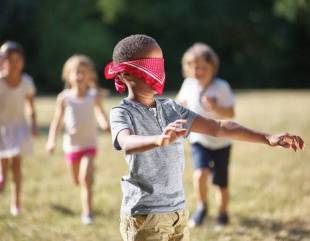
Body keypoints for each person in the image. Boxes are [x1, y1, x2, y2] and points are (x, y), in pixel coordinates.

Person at [105, 34, 304, 241]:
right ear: (125, 75)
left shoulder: (171, 108)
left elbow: (218, 127)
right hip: (144, 215)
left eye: (159, 65)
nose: (158, 73)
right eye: (149, 68)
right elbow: (126, 142)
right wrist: (158, 140)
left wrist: (268, 137)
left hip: (177, 212)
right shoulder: (121, 112)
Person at [46, 54, 110, 225]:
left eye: (84, 72)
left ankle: (87, 213)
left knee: (85, 180)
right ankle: (87, 176)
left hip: (89, 144)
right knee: (76, 180)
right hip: (72, 147)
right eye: (76, 72)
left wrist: (105, 124)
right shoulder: (65, 98)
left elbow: (99, 113)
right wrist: (51, 140)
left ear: (90, 76)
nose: (80, 76)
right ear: (68, 76)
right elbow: (57, 122)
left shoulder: (93, 96)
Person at [176, 43, 235, 227]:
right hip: (199, 139)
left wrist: (216, 107)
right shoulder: (189, 84)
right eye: (195, 67)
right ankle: (202, 207)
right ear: (188, 68)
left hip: (221, 142)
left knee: (220, 183)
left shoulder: (221, 87)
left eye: (204, 68)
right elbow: (180, 104)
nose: (199, 71)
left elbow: (231, 113)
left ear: (213, 68)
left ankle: (223, 213)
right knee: (199, 174)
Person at [0, 41, 37, 216]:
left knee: (16, 164)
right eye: (9, 60)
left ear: (22, 61)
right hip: (2, 128)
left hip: (19, 127)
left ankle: (16, 203)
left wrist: (33, 124)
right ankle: (2, 178)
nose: (14, 64)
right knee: (4, 163)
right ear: (2, 61)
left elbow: (30, 105)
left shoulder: (26, 82)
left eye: (17, 60)